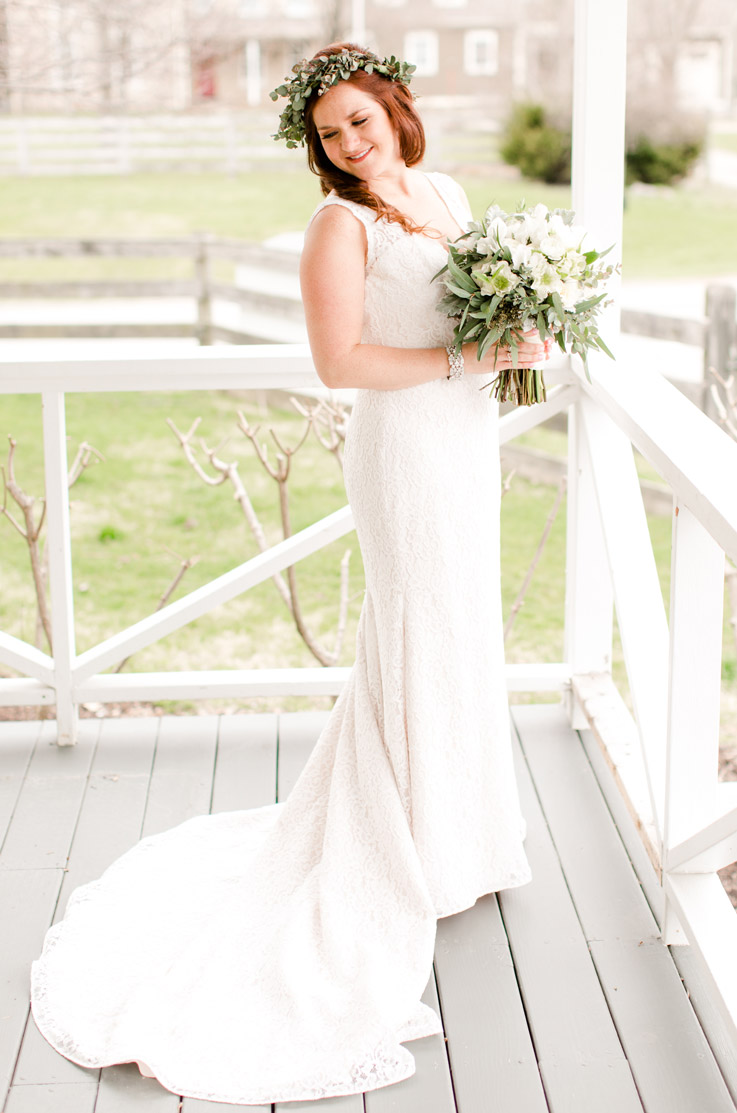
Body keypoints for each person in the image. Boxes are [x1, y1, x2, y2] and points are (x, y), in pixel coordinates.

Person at [29, 44, 549, 1106]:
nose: (351, 143)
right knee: (414, 634)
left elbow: (466, 311)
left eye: (361, 120)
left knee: (460, 637)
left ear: (395, 111)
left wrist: (519, 326)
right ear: (317, 152)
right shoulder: (338, 226)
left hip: (460, 446)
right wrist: (466, 363)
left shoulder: (441, 190)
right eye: (330, 135)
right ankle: (406, 845)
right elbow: (339, 362)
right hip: (403, 452)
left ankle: (463, 834)